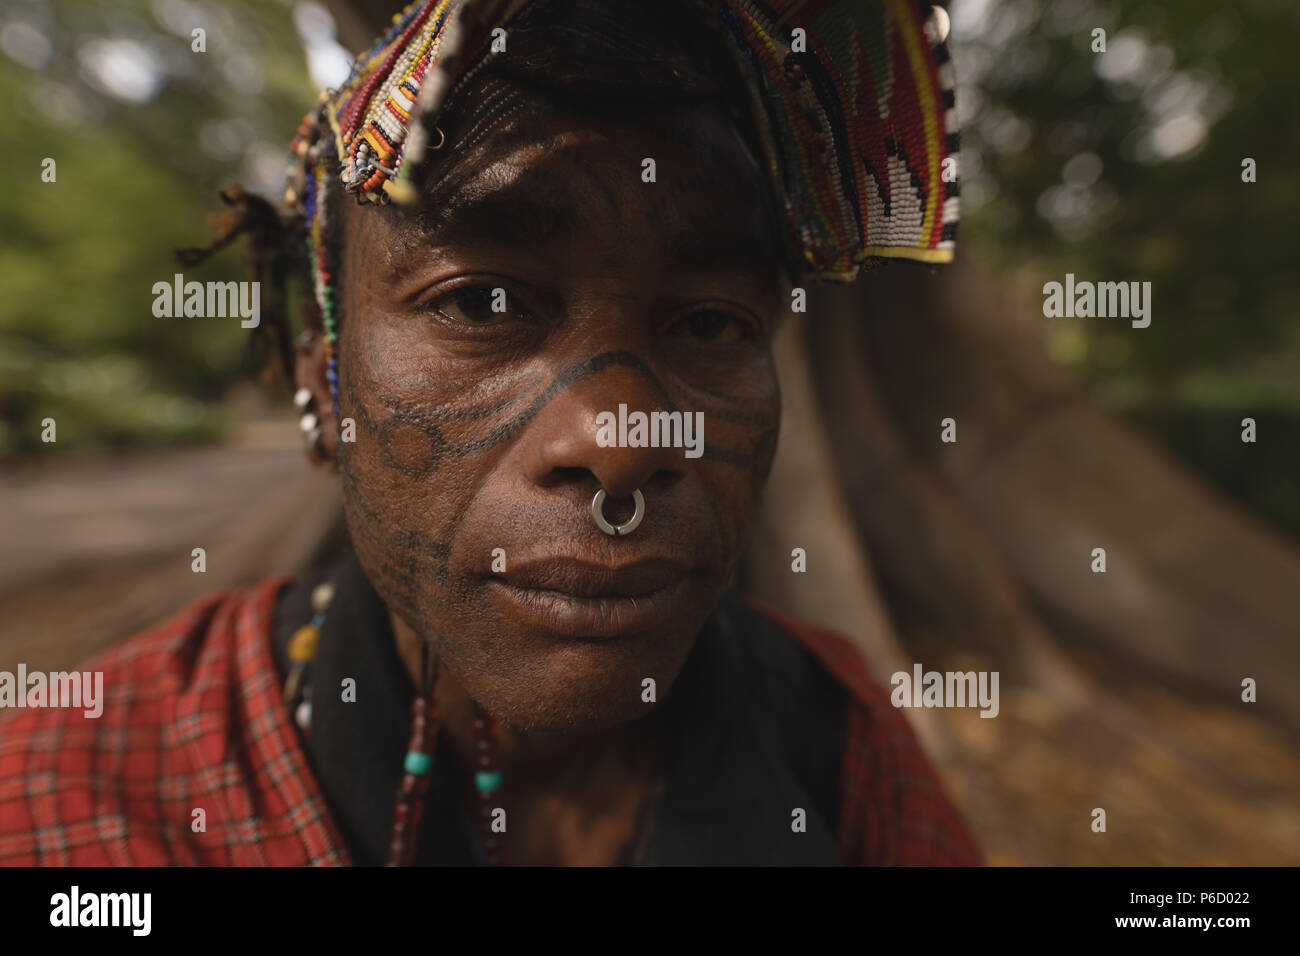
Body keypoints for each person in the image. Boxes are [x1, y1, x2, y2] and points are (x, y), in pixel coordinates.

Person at [0, 0, 975, 866]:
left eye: (713, 322)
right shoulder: (73, 795)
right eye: (481, 301)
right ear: (324, 384)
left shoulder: (843, 751)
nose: (620, 443)